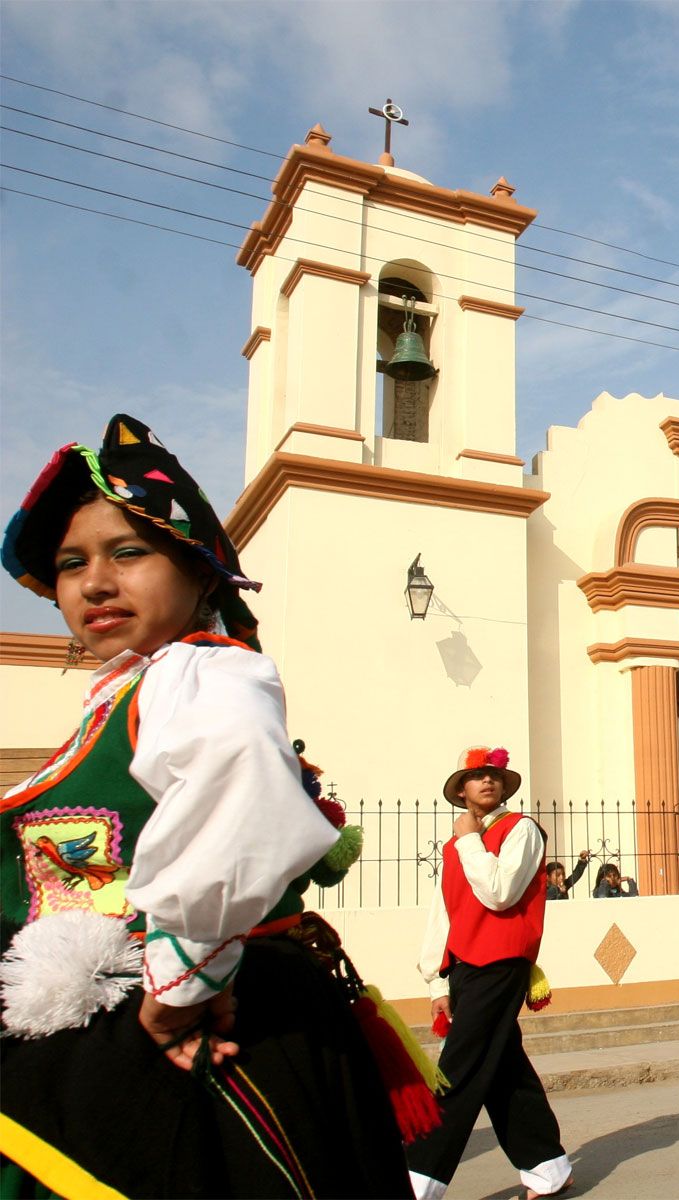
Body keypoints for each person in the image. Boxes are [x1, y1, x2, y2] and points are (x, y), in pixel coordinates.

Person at [0, 414, 411, 1197]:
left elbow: (239, 800)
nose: (94, 582)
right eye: (70, 563)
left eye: (129, 551)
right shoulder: (122, 696)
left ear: (200, 572)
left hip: (209, 1037)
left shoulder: (198, 674)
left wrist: (179, 985)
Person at [409, 746, 570, 1200]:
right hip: (464, 965)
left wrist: (468, 840)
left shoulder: (522, 830)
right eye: (476, 776)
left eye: (494, 776)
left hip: (500, 963)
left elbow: (499, 892)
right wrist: (436, 980)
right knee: (502, 1068)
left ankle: (418, 1178)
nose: (487, 781)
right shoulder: (457, 846)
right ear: (461, 790)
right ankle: (547, 1166)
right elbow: (444, 914)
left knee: (459, 1068)